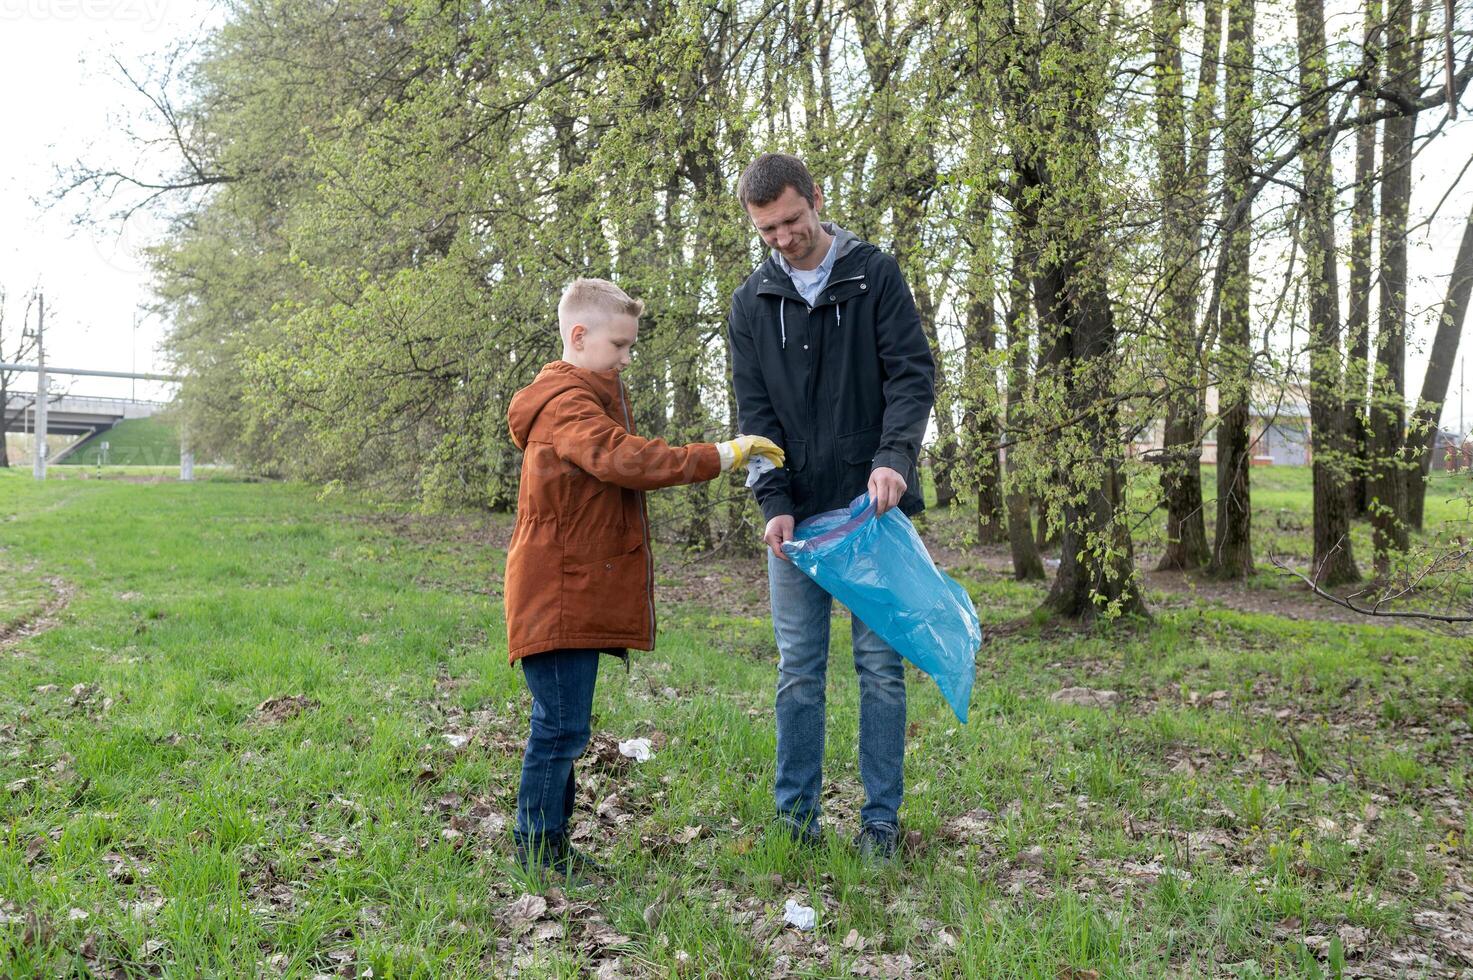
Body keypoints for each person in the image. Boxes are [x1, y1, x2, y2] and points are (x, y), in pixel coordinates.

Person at [504, 277, 783, 876]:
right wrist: (724, 454)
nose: (628, 359)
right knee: (558, 730)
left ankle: (548, 845)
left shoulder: (581, 396)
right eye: (620, 347)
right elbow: (625, 458)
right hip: (557, 596)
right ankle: (536, 851)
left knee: (563, 728)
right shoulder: (568, 405)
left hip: (566, 591)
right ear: (579, 337)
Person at [727, 154, 935, 862]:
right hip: (797, 522)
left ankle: (879, 822)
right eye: (766, 230)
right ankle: (796, 819)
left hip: (872, 510)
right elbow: (753, 416)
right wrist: (772, 504)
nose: (782, 238)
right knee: (798, 670)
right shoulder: (749, 302)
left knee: (879, 668)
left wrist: (893, 460)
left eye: (791, 220)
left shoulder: (873, 274)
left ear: (816, 199)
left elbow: (911, 376)